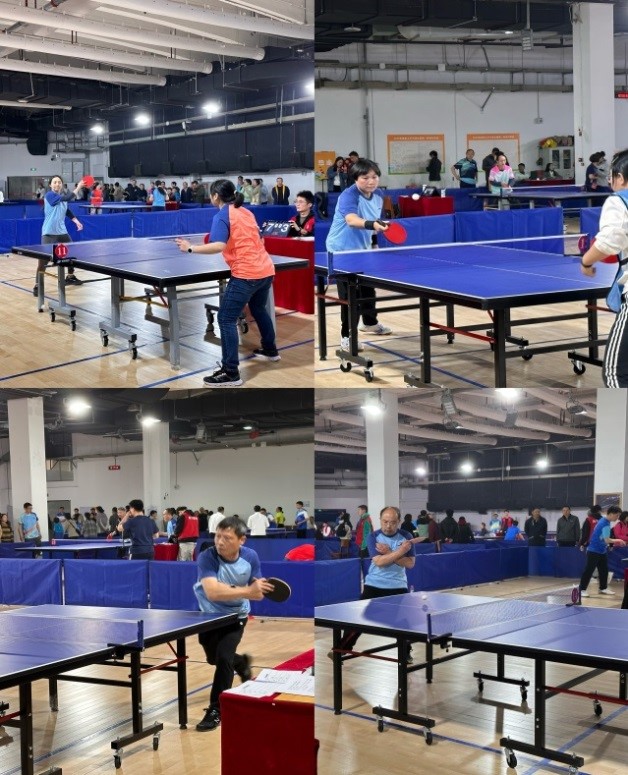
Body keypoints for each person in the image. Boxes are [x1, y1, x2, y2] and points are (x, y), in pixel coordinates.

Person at [175, 179, 280, 386]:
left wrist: (190, 248)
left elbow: (218, 245)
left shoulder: (222, 215)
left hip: (246, 274)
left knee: (225, 319)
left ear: (215, 196)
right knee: (258, 309)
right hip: (266, 270)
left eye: (211, 194)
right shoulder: (246, 212)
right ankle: (270, 350)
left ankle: (230, 372)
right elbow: (261, 240)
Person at [193, 516, 272, 731]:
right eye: (217, 536)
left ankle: (216, 709)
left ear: (241, 540)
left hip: (236, 616)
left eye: (227, 538)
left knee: (223, 658)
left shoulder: (250, 557)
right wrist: (248, 591)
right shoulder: (207, 556)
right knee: (213, 658)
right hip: (208, 616)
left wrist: (257, 589)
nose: (220, 542)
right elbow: (212, 592)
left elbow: (258, 590)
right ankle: (241, 663)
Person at [325, 158, 393, 352]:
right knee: (350, 296)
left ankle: (370, 323)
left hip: (362, 249)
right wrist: (372, 224)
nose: (371, 181)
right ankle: (347, 337)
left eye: (374, 177)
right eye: (365, 177)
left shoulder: (378, 196)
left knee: (368, 289)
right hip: (341, 251)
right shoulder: (348, 195)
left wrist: (374, 243)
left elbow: (374, 221)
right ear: (355, 178)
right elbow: (352, 220)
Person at [333, 507, 416, 661]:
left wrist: (388, 552)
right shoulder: (373, 536)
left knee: (402, 623)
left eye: (393, 522)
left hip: (398, 586)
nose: (388, 526)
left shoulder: (406, 536)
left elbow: (410, 563)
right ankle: (342, 649)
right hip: (374, 585)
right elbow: (379, 562)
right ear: (380, 520)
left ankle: (405, 653)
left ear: (399, 521)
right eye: (385, 521)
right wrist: (399, 552)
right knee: (357, 619)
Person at [580, 148, 628, 384]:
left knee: (615, 373)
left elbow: (609, 242)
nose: (610, 182)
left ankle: (616, 411)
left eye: (612, 177)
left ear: (620, 177)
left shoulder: (619, 200)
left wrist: (586, 261)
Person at [35, 175, 85, 296]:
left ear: (61, 185)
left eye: (59, 182)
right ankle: (37, 285)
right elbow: (67, 197)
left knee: (72, 254)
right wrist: (78, 187)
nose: (57, 184)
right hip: (48, 233)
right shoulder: (49, 195)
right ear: (50, 185)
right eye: (55, 182)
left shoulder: (62, 198)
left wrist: (76, 221)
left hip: (62, 233)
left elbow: (67, 210)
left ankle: (70, 276)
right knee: (43, 261)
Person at [579, 505, 626, 597]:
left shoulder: (603, 520)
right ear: (611, 514)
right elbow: (607, 540)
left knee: (604, 570)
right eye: (617, 515)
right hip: (594, 550)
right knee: (589, 570)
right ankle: (582, 589)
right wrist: (619, 540)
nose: (617, 518)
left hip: (601, 550)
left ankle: (603, 588)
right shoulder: (604, 523)